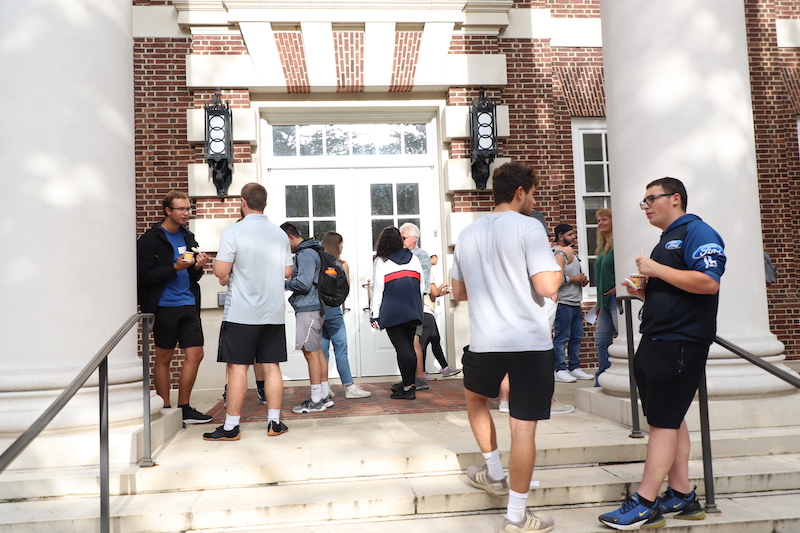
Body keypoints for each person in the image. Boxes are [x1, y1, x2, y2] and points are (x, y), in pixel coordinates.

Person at [598, 177, 725, 530]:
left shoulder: (698, 232)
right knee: (668, 417)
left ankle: (645, 503)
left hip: (680, 342)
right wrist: (646, 293)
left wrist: (656, 270)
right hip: (659, 339)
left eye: (651, 198)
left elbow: (709, 282)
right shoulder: (666, 239)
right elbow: (677, 290)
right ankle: (682, 495)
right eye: (644, 201)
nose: (646, 206)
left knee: (664, 422)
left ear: (675, 198)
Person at [452, 161, 571, 533]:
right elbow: (547, 286)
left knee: (475, 400)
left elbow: (458, 291)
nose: (533, 201)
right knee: (522, 429)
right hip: (528, 342)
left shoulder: (468, 232)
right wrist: (561, 259)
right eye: (532, 194)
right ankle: (516, 516)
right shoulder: (528, 227)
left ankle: (493, 472)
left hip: (485, 341)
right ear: (520, 192)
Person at [203, 183, 293, 441]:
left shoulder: (234, 231)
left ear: (242, 201)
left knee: (238, 368)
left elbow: (220, 271)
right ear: (265, 203)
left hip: (242, 312)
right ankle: (274, 422)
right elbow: (287, 272)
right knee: (271, 365)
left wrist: (231, 268)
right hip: (272, 312)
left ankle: (231, 426)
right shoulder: (279, 234)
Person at [137, 191, 212, 425]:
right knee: (165, 356)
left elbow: (192, 275)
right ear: (168, 210)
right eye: (181, 209)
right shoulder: (150, 240)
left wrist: (198, 267)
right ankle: (166, 408)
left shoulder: (188, 236)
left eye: (188, 209)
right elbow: (142, 277)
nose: (186, 213)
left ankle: (185, 408)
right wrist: (174, 268)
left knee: (196, 354)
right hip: (164, 305)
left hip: (188, 303)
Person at [281, 223, 333, 413]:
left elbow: (303, 284)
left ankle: (316, 400)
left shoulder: (305, 254)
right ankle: (324, 395)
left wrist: (282, 282)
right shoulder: (312, 251)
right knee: (316, 352)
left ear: (290, 238)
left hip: (308, 308)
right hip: (313, 307)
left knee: (310, 353)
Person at [371, 226, 425, 400]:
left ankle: (408, 388)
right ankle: (409, 385)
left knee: (402, 349)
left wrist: (374, 314)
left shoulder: (381, 260)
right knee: (409, 347)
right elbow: (421, 285)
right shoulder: (413, 258)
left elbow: (378, 289)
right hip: (412, 308)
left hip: (393, 310)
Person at [319, 232, 371, 399]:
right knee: (341, 348)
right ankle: (349, 386)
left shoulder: (317, 262)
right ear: (337, 244)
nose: (343, 246)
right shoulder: (342, 264)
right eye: (341, 243)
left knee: (322, 350)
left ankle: (323, 387)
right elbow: (344, 289)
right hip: (333, 310)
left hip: (318, 310)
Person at [551, 224, 593, 382]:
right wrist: (574, 278)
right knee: (561, 337)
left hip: (576, 302)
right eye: (570, 234)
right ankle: (559, 369)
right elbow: (553, 280)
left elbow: (573, 277)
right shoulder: (555, 254)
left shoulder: (574, 255)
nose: (573, 237)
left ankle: (574, 368)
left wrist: (581, 280)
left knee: (577, 336)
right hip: (563, 303)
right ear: (560, 236)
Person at [398, 222, 432, 390]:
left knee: (414, 339)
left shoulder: (421, 256)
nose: (401, 241)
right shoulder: (401, 255)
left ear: (414, 239)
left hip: (414, 301)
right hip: (402, 302)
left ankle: (419, 377)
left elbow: (422, 282)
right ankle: (409, 377)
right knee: (405, 340)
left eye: (404, 238)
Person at [423, 254, 461, 378]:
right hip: (426, 312)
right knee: (424, 343)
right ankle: (421, 372)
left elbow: (432, 294)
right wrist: (443, 285)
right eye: (435, 256)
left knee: (434, 339)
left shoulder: (425, 274)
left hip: (426, 312)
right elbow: (434, 292)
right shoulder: (428, 275)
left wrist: (443, 292)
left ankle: (445, 368)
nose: (437, 258)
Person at [593, 208, 616, 387]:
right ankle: (601, 380)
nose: (600, 223)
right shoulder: (602, 248)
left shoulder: (618, 246)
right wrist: (598, 302)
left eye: (604, 219)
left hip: (616, 300)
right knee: (601, 340)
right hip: (604, 302)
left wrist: (617, 288)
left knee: (626, 338)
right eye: (599, 220)